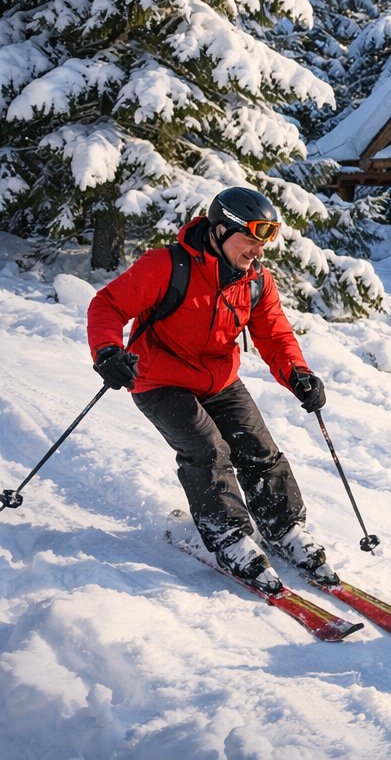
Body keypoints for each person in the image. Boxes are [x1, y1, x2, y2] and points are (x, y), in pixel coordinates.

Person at [86, 187, 333, 591]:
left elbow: (274, 335)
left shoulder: (256, 281)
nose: (257, 250)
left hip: (218, 379)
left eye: (264, 241)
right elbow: (107, 305)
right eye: (250, 239)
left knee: (259, 449)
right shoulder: (167, 265)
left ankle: (284, 527)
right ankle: (229, 535)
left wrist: (298, 375)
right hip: (159, 379)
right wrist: (109, 351)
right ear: (219, 231)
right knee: (207, 449)